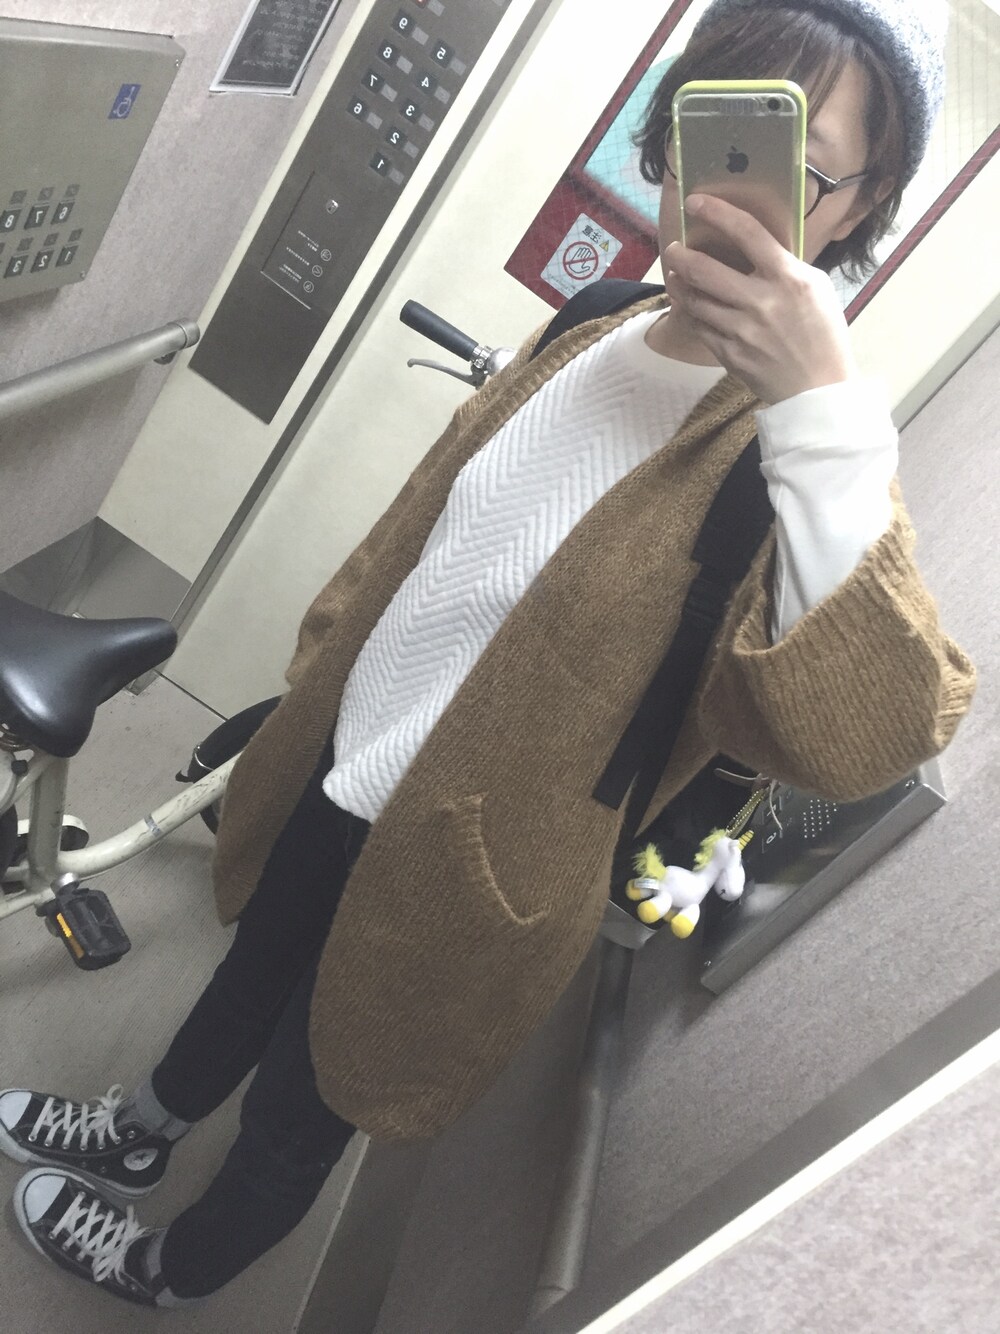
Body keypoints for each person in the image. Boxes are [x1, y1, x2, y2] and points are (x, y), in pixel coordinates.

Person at [0, 0, 975, 1309]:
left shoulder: (792, 459)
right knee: (249, 974)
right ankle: (143, 1125)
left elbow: (882, 727)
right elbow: (429, 527)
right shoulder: (595, 317)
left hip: (473, 870)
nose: (726, 191)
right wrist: (323, 669)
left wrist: (821, 410)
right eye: (717, 128)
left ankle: (178, 1268)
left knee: (312, 1090)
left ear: (855, 213)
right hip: (347, 756)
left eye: (796, 166)